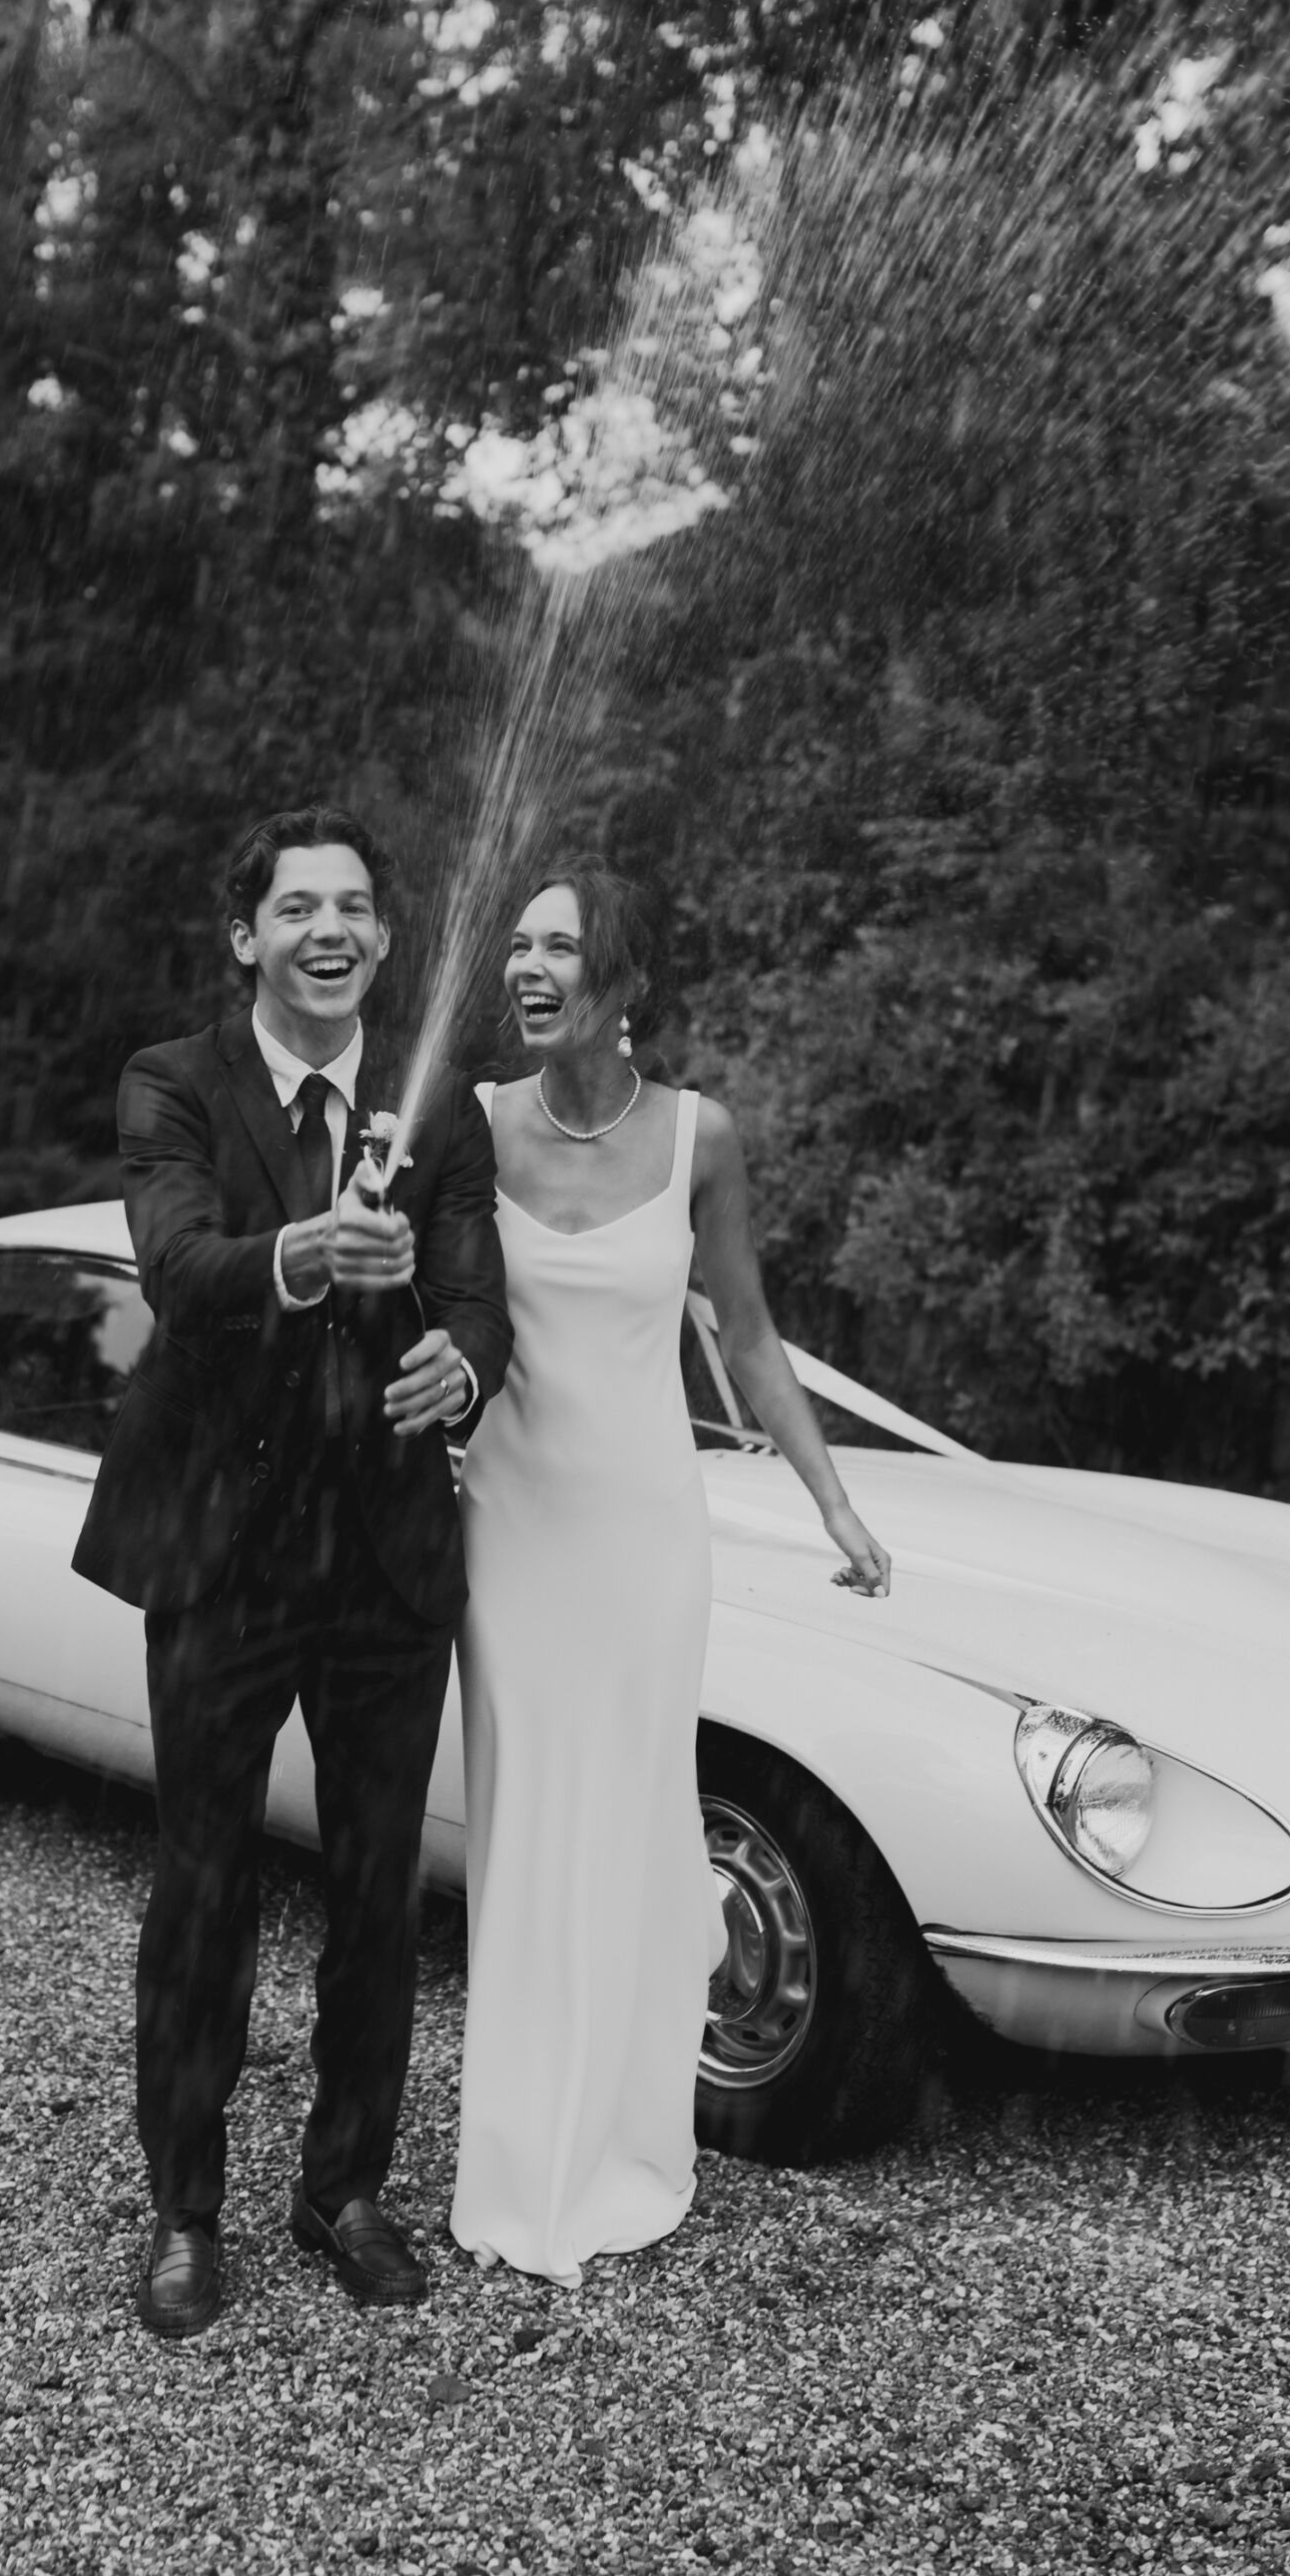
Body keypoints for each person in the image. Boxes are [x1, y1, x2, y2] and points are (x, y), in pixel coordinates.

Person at [73, 805, 512, 2335]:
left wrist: (456, 1365)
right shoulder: (172, 1085)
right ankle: (186, 2207)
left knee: (380, 1891)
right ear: (245, 935)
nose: (330, 930)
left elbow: (482, 1301)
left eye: (355, 908)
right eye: (297, 907)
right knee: (203, 1886)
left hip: (387, 1558)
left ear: (387, 940)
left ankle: (345, 2185)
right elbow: (179, 1271)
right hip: (228, 1554)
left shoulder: (436, 1104)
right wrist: (304, 1253)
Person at [449, 857, 892, 2288]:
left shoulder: (701, 1138)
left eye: (558, 947)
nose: (527, 966)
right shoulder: (470, 1127)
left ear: (623, 984)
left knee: (633, 1829)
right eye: (518, 943)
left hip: (645, 1538)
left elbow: (751, 1339)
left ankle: (629, 2146)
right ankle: (521, 2160)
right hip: (509, 1531)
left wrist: (834, 1501)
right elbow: (429, 1315)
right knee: (527, 1833)